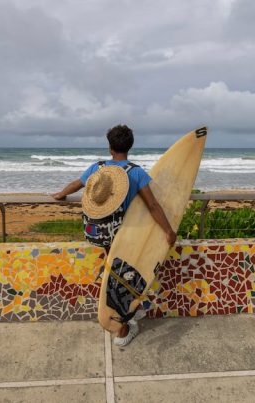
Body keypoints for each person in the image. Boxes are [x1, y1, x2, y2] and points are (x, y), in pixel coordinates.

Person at [53, 124, 176, 346]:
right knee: (125, 278)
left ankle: (133, 313)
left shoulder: (97, 168)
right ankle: (127, 323)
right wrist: (168, 230)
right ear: (129, 147)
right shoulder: (135, 172)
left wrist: (62, 193)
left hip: (100, 235)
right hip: (124, 237)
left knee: (116, 275)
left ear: (110, 148)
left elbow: (76, 184)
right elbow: (153, 205)